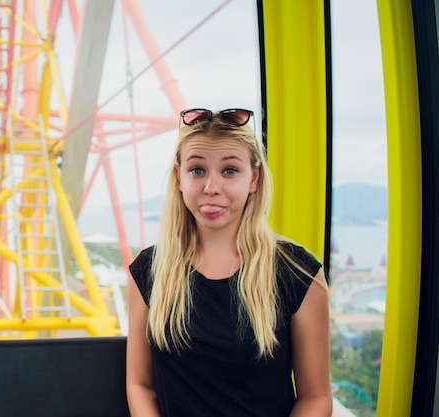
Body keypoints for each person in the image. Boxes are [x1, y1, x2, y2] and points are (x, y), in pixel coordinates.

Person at [126, 108, 332, 417]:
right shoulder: (148, 270)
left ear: (254, 178)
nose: (211, 187)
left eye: (230, 170)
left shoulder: (298, 273)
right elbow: (139, 384)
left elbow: (316, 397)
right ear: (179, 178)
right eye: (197, 170)